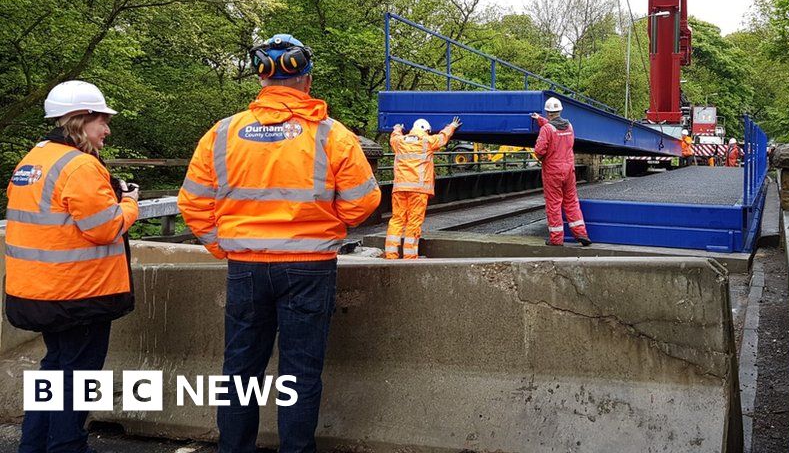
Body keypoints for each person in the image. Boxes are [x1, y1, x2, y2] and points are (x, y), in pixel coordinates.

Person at [178, 34, 381, 453]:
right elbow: (366, 200)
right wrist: (326, 225)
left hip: (246, 267)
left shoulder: (222, 134)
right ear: (307, 81)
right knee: (301, 372)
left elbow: (193, 203)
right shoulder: (332, 135)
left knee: (239, 370)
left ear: (261, 80)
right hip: (308, 266)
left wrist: (225, 246)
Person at [5, 80, 140, 453]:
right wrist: (129, 203)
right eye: (102, 121)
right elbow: (105, 227)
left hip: (38, 290)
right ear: (80, 120)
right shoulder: (80, 165)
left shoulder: (33, 160)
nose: (107, 130)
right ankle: (67, 445)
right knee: (76, 377)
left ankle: (33, 445)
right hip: (79, 294)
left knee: (53, 370)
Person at [385, 116, 461, 259]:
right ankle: (410, 256)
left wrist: (397, 128)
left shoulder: (399, 141)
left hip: (399, 189)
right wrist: (452, 126)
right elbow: (442, 138)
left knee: (397, 220)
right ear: (426, 130)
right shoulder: (426, 141)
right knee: (414, 221)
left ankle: (391, 254)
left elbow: (394, 137)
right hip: (418, 190)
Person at [530, 97, 591, 247]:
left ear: (548, 112)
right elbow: (555, 128)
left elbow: (539, 150)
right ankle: (581, 234)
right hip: (569, 170)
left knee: (554, 204)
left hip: (553, 172)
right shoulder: (569, 126)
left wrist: (539, 156)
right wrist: (541, 120)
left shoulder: (547, 129)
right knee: (571, 202)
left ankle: (556, 239)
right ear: (560, 111)